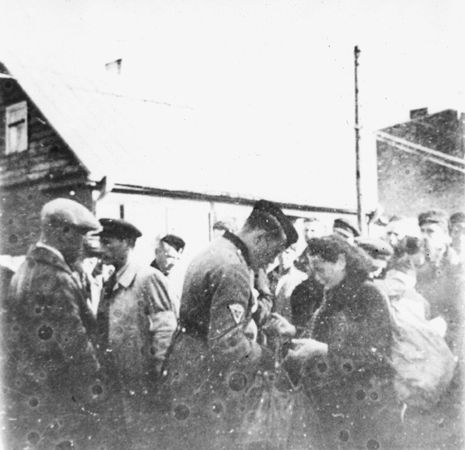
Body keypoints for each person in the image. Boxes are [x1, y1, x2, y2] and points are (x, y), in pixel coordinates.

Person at [159, 199, 298, 449]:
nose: (269, 262)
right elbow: (227, 342)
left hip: (186, 364)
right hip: (204, 378)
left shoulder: (216, 250)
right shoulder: (234, 268)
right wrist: (266, 357)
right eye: (273, 252)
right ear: (261, 239)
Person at [2, 198, 120, 450]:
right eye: (80, 235)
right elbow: (76, 347)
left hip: (31, 395)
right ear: (63, 231)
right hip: (62, 399)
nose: (83, 245)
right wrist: (98, 395)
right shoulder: (56, 277)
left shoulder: (24, 270)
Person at [268, 235, 398, 449]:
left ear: (341, 261)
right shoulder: (334, 293)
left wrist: (323, 350)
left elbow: (377, 355)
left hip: (366, 409)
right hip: (338, 407)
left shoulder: (369, 295)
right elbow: (328, 336)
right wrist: (293, 331)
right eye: (312, 270)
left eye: (320, 269)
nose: (316, 278)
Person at [96, 218, 178, 449]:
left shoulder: (148, 278)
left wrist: (158, 379)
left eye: (108, 243)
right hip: (117, 381)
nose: (102, 249)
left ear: (127, 242)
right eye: (101, 242)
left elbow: (165, 331)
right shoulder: (111, 282)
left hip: (143, 383)